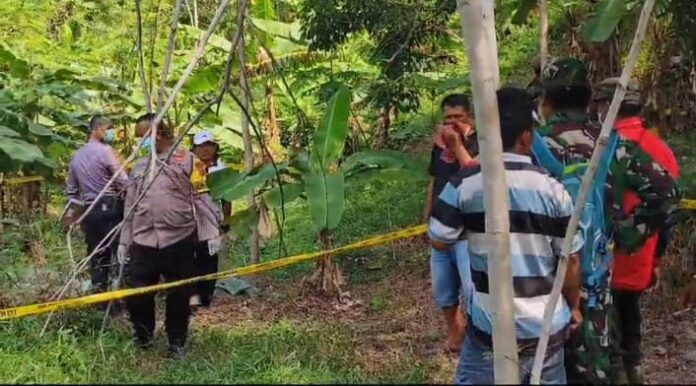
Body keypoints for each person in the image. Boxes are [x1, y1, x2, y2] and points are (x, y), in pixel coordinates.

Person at [429, 87, 583, 384]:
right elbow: (572, 260)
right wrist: (573, 306)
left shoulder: (468, 183)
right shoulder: (553, 189)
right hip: (544, 330)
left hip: (490, 332)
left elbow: (439, 238)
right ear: (527, 137)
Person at [594, 78, 681, 384]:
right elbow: (668, 213)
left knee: (610, 331)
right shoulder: (662, 149)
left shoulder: (604, 146)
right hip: (643, 253)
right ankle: (637, 372)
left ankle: (621, 375)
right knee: (630, 319)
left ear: (606, 107)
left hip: (606, 255)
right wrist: (656, 259)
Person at [533, 58, 612, 385]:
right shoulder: (607, 140)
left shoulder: (533, 143)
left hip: (544, 277)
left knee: (548, 365)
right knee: (594, 362)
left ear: (546, 101)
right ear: (586, 99)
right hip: (597, 272)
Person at [118, 113, 201, 358]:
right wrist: (125, 239)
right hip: (144, 241)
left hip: (180, 239)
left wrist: (211, 233)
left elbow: (202, 197)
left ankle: (177, 340)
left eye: (143, 137)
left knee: (179, 294)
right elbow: (130, 205)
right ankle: (143, 336)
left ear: (160, 134)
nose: (140, 142)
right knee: (138, 293)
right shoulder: (139, 166)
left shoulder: (188, 160)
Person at [424, 94, 478, 353]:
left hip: (469, 231)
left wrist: (457, 145)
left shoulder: (481, 142)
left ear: (470, 117)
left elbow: (474, 171)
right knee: (443, 290)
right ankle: (455, 335)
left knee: (472, 291)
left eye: (458, 117)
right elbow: (434, 180)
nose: (453, 123)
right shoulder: (438, 144)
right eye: (448, 118)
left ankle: (478, 338)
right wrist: (427, 216)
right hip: (440, 228)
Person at [66, 116, 127, 294]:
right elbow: (123, 180)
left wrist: (75, 213)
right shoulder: (106, 151)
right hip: (110, 206)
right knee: (120, 250)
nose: (112, 132)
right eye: (109, 128)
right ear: (97, 129)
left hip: (89, 210)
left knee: (96, 251)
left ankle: (99, 290)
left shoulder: (77, 155)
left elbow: (71, 190)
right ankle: (124, 292)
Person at [189, 131, 231, 308]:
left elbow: (227, 197)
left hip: (212, 219)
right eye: (201, 146)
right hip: (190, 219)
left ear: (215, 147)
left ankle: (206, 296)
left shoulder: (220, 169)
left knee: (210, 257)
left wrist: (227, 219)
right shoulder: (188, 166)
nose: (205, 150)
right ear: (194, 148)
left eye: (208, 146)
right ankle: (193, 295)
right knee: (191, 257)